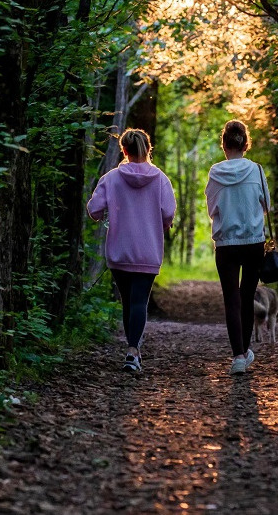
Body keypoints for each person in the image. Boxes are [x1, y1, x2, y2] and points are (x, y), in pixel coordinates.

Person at [87, 128, 176, 373]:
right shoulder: (160, 179)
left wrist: (110, 211)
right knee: (139, 302)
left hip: (119, 251)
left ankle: (131, 349)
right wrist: (161, 223)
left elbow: (93, 209)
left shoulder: (111, 178)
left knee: (128, 302)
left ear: (124, 151)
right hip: (148, 251)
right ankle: (133, 350)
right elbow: (169, 213)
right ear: (148, 149)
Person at [206, 119, 271, 374]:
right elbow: (266, 206)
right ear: (246, 143)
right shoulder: (256, 170)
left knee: (232, 299)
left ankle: (238, 357)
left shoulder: (215, 172)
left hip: (226, 244)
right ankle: (244, 353)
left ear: (224, 145)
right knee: (247, 297)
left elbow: (212, 210)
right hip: (254, 242)